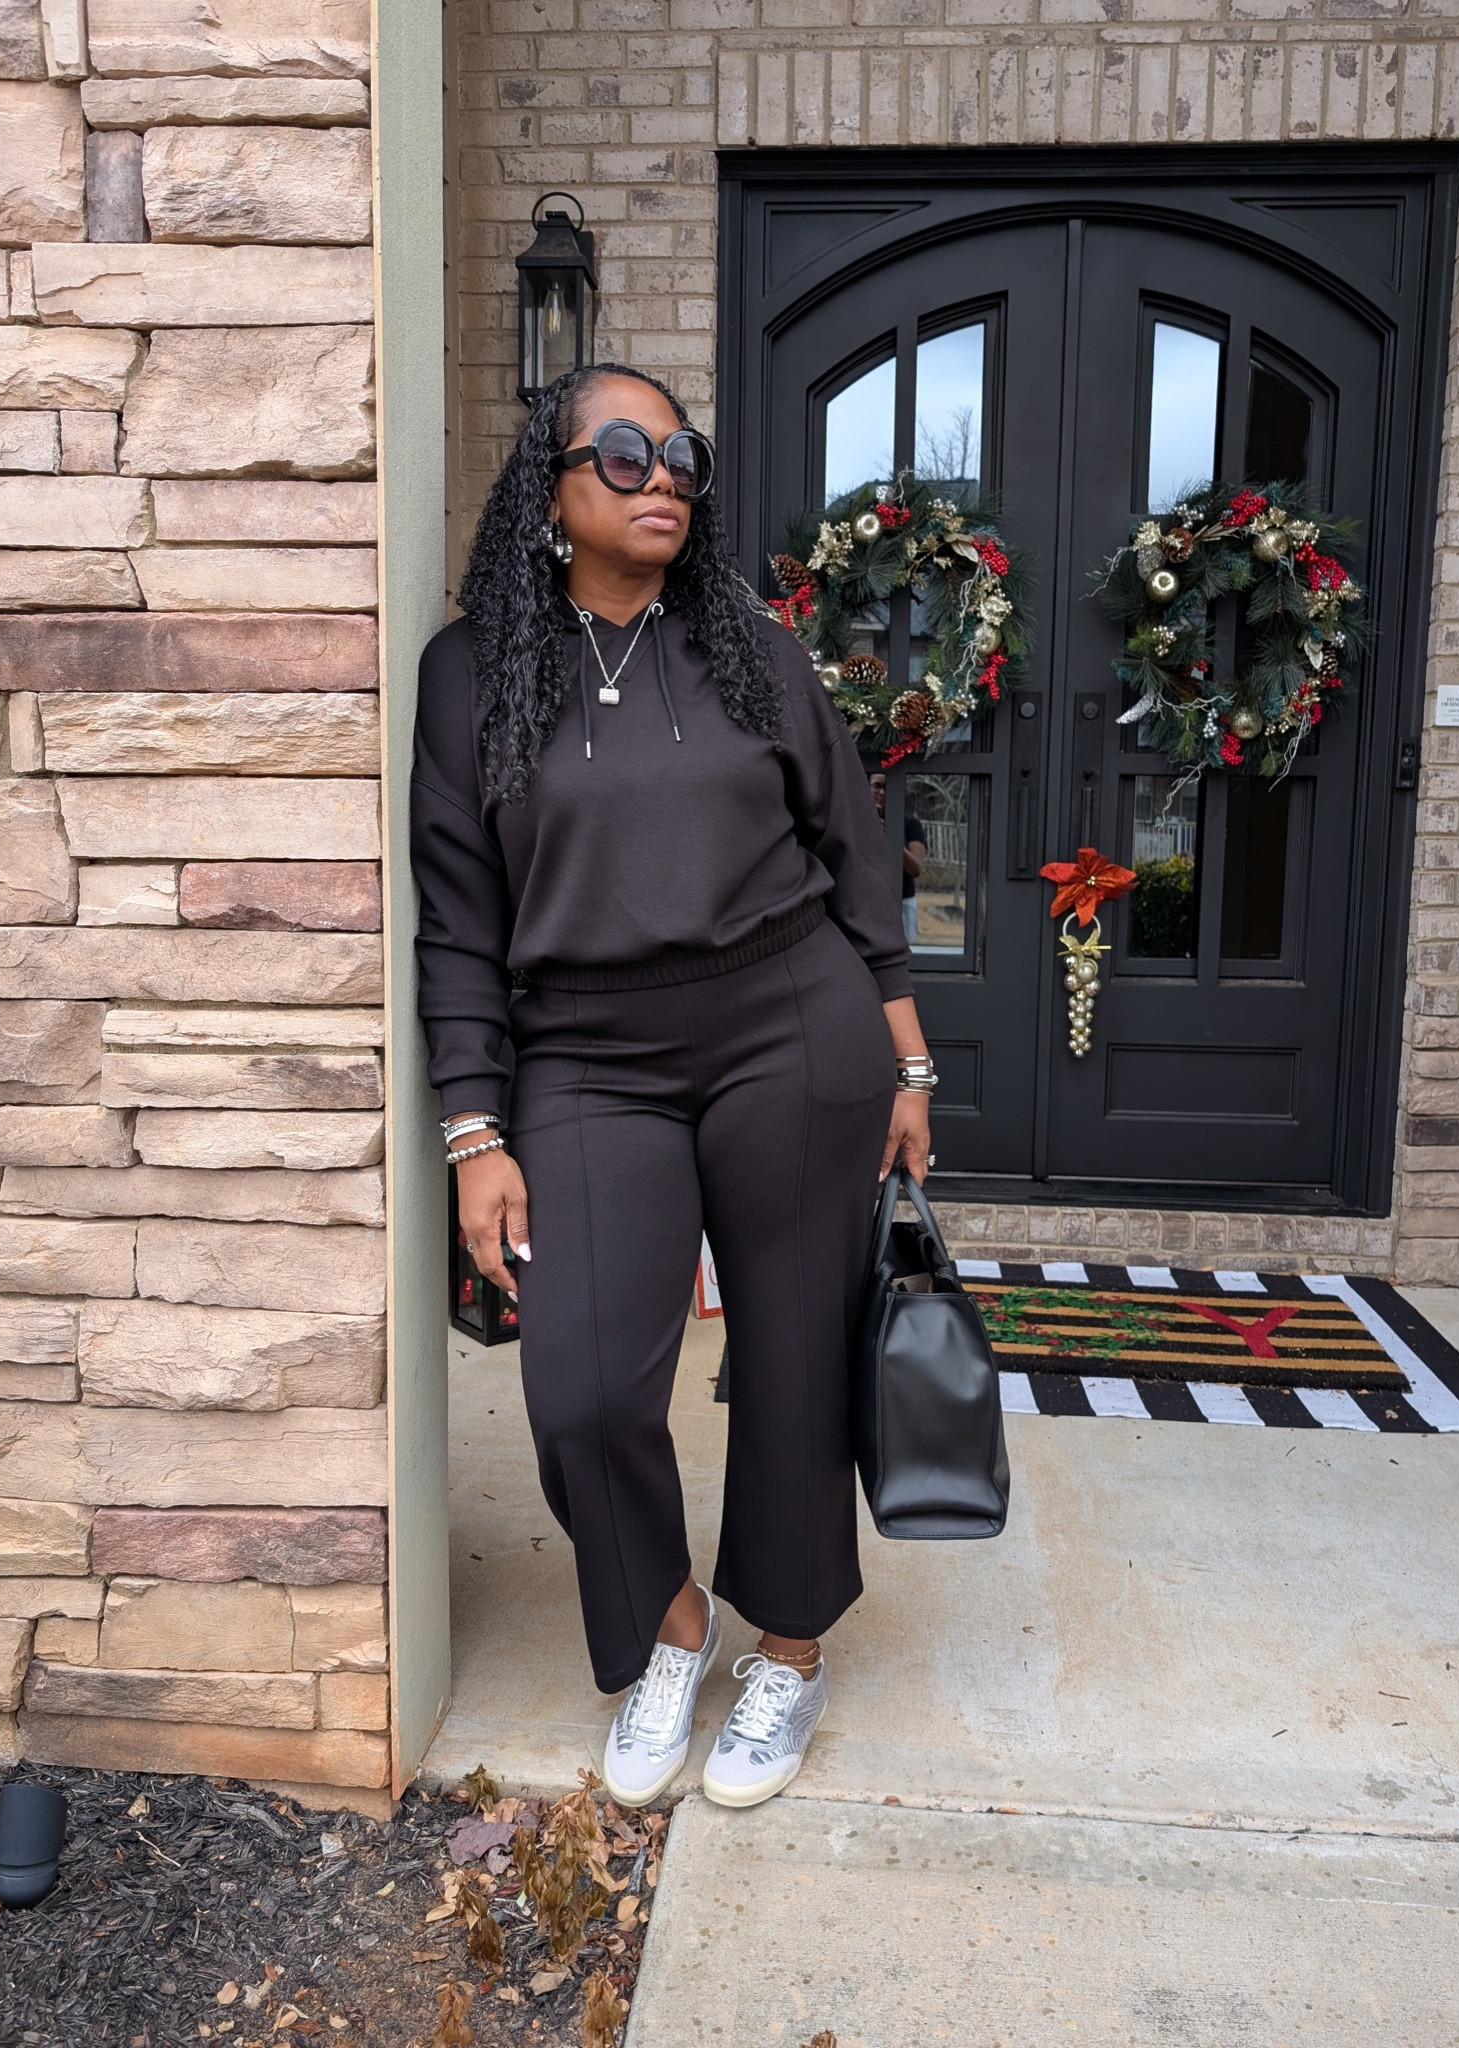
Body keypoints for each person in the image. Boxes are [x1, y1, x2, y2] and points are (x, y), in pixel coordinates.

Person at [411, 363, 936, 1811]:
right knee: (578, 1384)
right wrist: (475, 1128)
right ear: (551, 489)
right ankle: (669, 1626)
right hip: (582, 1051)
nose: (664, 479)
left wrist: (904, 1055)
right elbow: (455, 920)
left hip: (788, 1023)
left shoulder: (752, 649)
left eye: (683, 455)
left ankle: (790, 1653)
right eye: (627, 452)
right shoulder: (467, 674)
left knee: (792, 1359)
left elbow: (855, 856)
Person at [869, 770, 928, 945]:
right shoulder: (855, 822)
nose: (882, 793)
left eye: (887, 787)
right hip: (867, 901)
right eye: (877, 786)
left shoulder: (910, 824)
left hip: (901, 899)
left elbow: (915, 869)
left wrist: (889, 835)